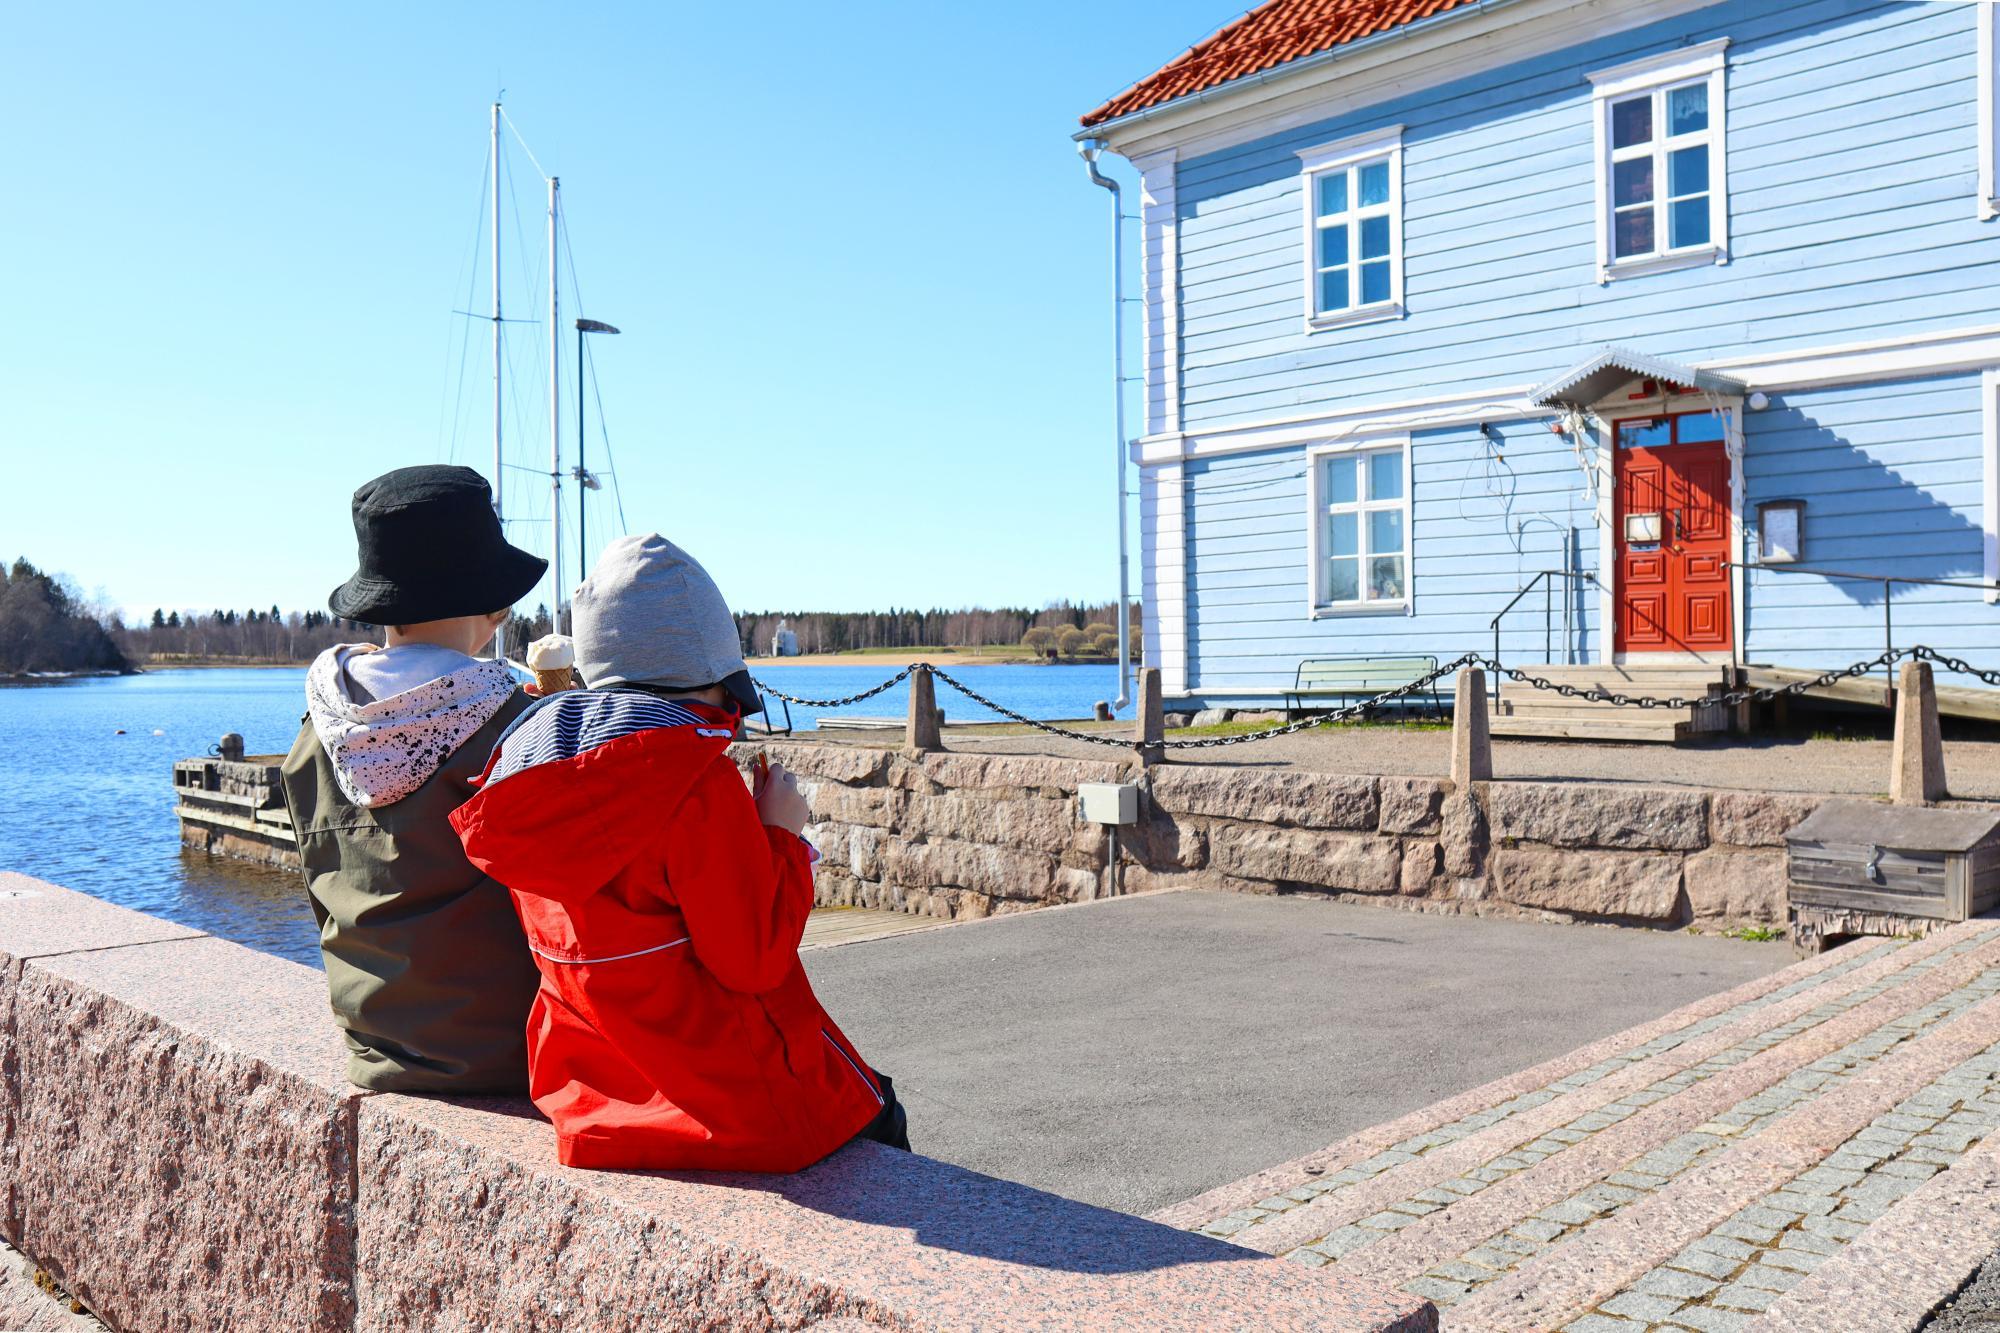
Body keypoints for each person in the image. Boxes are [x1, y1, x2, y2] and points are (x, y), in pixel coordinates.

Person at [450, 533, 908, 1171]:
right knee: (884, 1116)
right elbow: (754, 959)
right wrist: (779, 833)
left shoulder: (525, 779)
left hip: (591, 1104)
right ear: (712, 676)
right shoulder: (694, 783)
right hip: (733, 1110)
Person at [278, 464, 545, 1092]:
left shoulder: (317, 729)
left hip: (374, 1045)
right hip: (510, 1049)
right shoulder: (514, 725)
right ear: (497, 608)